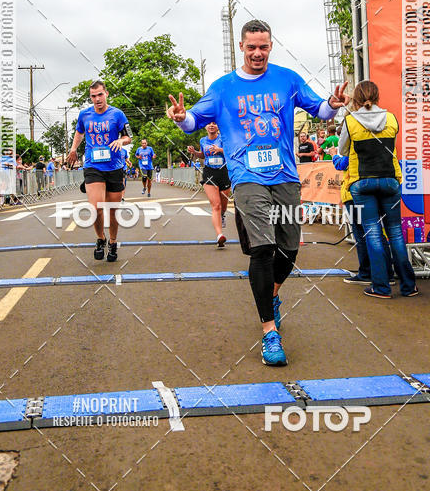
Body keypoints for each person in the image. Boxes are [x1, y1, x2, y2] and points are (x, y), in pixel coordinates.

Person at [168, 18, 348, 366]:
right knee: (263, 248)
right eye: (251, 47)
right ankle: (269, 332)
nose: (257, 53)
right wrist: (181, 117)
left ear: (270, 46)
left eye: (263, 47)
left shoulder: (287, 79)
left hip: (285, 175)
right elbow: (192, 121)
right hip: (246, 176)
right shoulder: (223, 88)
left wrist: (333, 102)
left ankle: (273, 294)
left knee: (289, 248)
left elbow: (319, 108)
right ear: (241, 47)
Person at [338, 80, 418, 298]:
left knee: (372, 234)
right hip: (390, 180)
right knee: (395, 233)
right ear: (377, 96)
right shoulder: (391, 118)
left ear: (356, 98)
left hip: (362, 182)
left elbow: (343, 150)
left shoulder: (350, 121)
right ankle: (408, 286)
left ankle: (381, 287)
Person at [67, 80, 132, 263]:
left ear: (106, 94)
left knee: (112, 210)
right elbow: (79, 132)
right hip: (93, 165)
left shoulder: (117, 114)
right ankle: (101, 238)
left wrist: (121, 141)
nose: (97, 99)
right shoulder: (84, 115)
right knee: (96, 208)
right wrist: (73, 149)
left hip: (114, 166)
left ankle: (113, 242)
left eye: (100, 95)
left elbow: (128, 136)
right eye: (93, 96)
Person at [332, 153, 394, 285]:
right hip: (375, 192)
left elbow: (342, 164)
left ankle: (367, 273)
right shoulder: (380, 147)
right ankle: (387, 273)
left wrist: (333, 155)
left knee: (362, 235)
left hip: (356, 194)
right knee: (378, 234)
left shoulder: (356, 145)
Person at [187, 122, 231, 247]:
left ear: (218, 126)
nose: (211, 125)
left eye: (214, 123)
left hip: (223, 171)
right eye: (209, 124)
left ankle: (222, 215)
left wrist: (219, 150)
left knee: (223, 204)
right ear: (205, 127)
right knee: (216, 205)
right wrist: (194, 152)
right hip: (209, 172)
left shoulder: (223, 138)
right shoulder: (203, 140)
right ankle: (219, 235)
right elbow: (203, 155)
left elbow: (231, 152)